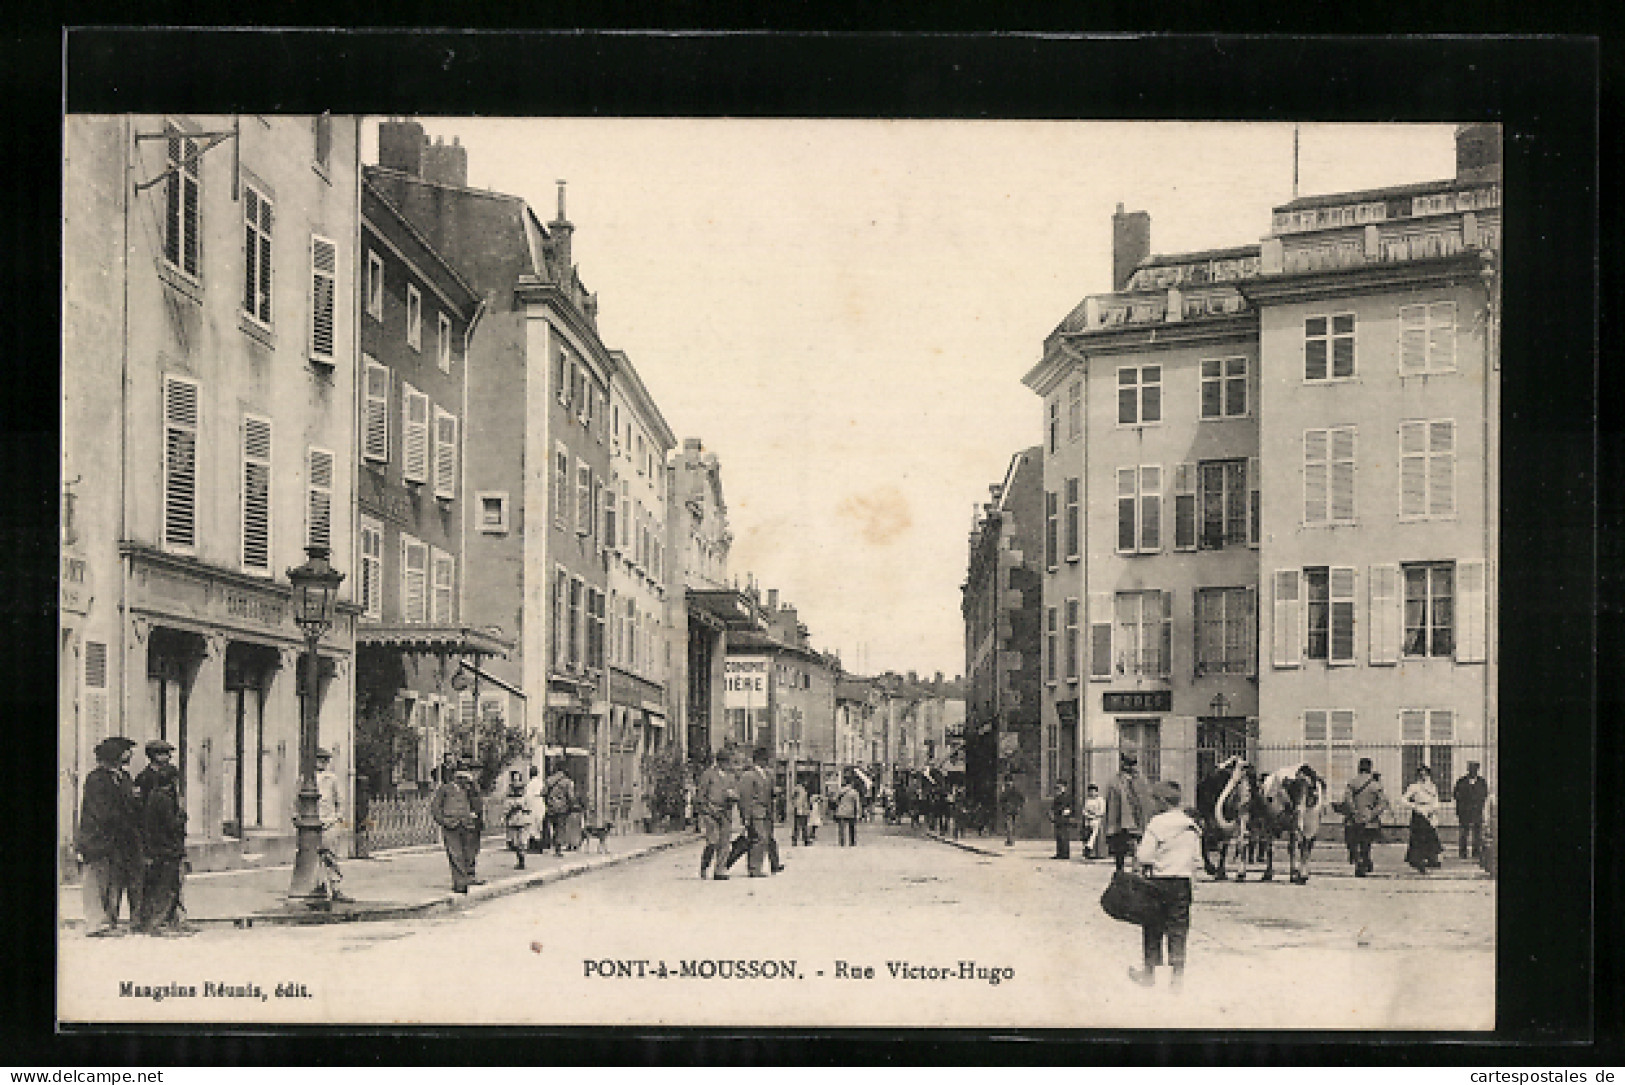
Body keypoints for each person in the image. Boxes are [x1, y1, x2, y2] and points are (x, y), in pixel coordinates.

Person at [1127, 779, 1201, 990]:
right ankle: (1177, 978)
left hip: (1158, 882)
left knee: (1152, 926)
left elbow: (1144, 856)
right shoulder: (1190, 824)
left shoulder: (1157, 823)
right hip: (1182, 883)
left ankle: (1149, 974)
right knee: (1179, 928)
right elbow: (1197, 858)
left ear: (1161, 801)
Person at [76, 736, 143, 936]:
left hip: (116, 840)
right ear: (115, 755)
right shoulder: (96, 779)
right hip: (97, 839)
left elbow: (130, 805)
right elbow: (102, 812)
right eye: (126, 751)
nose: (129, 755)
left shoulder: (123, 777)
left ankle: (109, 922)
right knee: (96, 882)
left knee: (113, 882)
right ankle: (96, 924)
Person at [135, 740, 193, 935]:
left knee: (172, 883)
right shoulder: (145, 779)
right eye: (162, 754)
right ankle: (158, 922)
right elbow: (146, 815)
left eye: (168, 754)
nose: (167, 758)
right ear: (153, 756)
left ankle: (174, 919)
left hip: (169, 841)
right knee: (160, 884)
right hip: (160, 842)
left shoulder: (168, 780)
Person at [430, 762, 486, 893]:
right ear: (455, 776)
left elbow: (477, 802)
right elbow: (435, 808)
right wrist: (443, 821)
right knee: (455, 854)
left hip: (466, 824)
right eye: (461, 776)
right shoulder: (445, 789)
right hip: (451, 825)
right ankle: (459, 883)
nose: (464, 779)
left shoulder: (469, 789)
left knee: (467, 853)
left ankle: (466, 878)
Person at [309, 747, 350, 901]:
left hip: (328, 822)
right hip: (311, 823)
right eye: (319, 759)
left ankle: (335, 887)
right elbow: (296, 800)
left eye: (325, 760)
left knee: (330, 855)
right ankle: (317, 887)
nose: (322, 763)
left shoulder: (331, 779)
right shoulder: (305, 778)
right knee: (311, 856)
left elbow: (340, 801)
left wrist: (336, 818)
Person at [1104, 753, 1152, 872]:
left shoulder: (1141, 781)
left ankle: (1139, 870)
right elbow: (1112, 804)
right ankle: (1120, 870)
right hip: (1121, 822)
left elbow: (1145, 800)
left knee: (1140, 847)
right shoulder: (1115, 781)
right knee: (1120, 849)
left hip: (1138, 820)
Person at [695, 747, 736, 880]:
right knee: (712, 841)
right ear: (719, 762)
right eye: (725, 762)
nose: (727, 765)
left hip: (725, 813)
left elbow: (736, 792)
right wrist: (707, 810)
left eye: (728, 762)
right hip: (711, 813)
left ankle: (720, 870)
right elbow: (701, 795)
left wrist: (733, 796)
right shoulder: (708, 775)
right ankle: (704, 866)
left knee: (725, 843)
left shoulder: (731, 776)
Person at [1341, 757, 1387, 877]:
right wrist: (1373, 814)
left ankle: (1358, 862)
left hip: (1353, 819)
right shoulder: (1375, 785)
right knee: (1366, 843)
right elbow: (1382, 803)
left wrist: (1354, 812)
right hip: (1369, 820)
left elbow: (1347, 800)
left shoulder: (1352, 783)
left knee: (1354, 842)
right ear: (1370, 768)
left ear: (1359, 768)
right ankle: (1365, 860)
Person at [1402, 765, 1444, 874]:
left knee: (1431, 836)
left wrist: (1434, 809)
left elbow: (1436, 800)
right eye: (1421, 774)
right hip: (1419, 813)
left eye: (1425, 774)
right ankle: (1417, 859)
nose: (1423, 776)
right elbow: (1404, 799)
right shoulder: (1414, 787)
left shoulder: (1432, 787)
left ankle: (1431, 858)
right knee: (1418, 838)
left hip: (1429, 812)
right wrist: (1414, 806)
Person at [1452, 761, 1489, 861]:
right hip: (1464, 811)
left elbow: (1484, 795)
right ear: (1468, 770)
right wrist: (1463, 803)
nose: (1473, 771)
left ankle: (1476, 852)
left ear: (1477, 770)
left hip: (1477, 811)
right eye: (1471, 769)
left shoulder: (1482, 782)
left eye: (1475, 769)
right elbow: (1456, 794)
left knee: (1477, 832)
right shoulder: (1461, 781)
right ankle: (1463, 852)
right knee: (1464, 832)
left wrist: (1478, 804)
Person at [543, 763, 577, 857]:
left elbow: (543, 793)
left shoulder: (549, 780)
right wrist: (572, 805)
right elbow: (571, 796)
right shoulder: (567, 782)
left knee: (553, 827)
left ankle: (551, 845)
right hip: (562, 808)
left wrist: (548, 803)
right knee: (560, 828)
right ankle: (557, 849)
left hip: (550, 807)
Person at [503, 769, 533, 870]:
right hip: (513, 820)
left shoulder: (526, 795)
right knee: (515, 842)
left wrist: (520, 806)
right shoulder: (508, 794)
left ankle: (522, 860)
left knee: (522, 841)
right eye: (514, 780)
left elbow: (529, 807)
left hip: (523, 819)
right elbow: (506, 807)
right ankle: (519, 857)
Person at [524, 763, 551, 854]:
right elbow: (545, 792)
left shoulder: (529, 784)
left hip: (533, 804)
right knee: (540, 825)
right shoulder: (541, 782)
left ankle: (534, 847)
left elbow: (527, 797)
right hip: (540, 804)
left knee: (532, 826)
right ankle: (540, 846)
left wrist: (526, 807)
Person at [835, 773, 862, 847]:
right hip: (851, 812)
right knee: (852, 828)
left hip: (841, 811)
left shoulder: (840, 791)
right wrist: (858, 813)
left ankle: (842, 842)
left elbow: (835, 800)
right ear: (851, 783)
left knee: (841, 829)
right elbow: (857, 804)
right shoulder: (854, 792)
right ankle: (852, 842)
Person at [1051, 780, 1075, 860]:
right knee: (1059, 835)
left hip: (1064, 818)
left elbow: (1069, 807)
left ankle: (1065, 853)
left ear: (1065, 788)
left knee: (1064, 835)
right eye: (1057, 788)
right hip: (1058, 818)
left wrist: (1067, 812)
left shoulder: (1067, 797)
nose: (1059, 789)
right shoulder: (1057, 797)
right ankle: (1060, 852)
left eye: (1060, 787)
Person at [1082, 783, 1106, 859]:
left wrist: (1095, 815)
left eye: (1093, 791)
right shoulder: (1088, 800)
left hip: (1097, 819)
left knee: (1095, 831)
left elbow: (1102, 811)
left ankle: (1092, 849)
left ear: (1097, 792)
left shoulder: (1100, 800)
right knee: (1087, 832)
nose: (1092, 793)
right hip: (1088, 819)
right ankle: (1088, 851)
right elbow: (1084, 810)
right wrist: (1087, 815)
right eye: (1090, 791)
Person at [999, 775, 1025, 847]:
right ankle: (1010, 839)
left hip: (1013, 810)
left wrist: (1019, 806)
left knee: (1011, 825)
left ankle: (1010, 839)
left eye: (1009, 782)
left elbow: (1022, 799)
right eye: (1007, 782)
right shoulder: (1007, 790)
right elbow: (1001, 800)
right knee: (1009, 825)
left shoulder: (1014, 790)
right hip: (1009, 810)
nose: (1008, 783)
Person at [790, 779, 811, 846]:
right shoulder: (798, 789)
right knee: (798, 826)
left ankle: (804, 840)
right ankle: (796, 840)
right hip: (799, 809)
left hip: (803, 810)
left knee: (802, 826)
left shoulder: (803, 790)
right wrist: (795, 805)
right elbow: (792, 797)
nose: (806, 783)